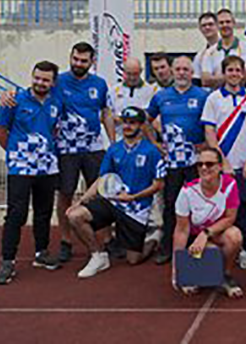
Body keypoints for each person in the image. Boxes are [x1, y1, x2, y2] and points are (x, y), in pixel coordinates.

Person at [66, 107, 165, 278]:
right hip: (113, 202)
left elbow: (159, 185)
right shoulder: (114, 149)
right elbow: (101, 179)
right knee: (75, 216)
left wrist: (133, 197)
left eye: (132, 123)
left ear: (141, 126)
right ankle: (98, 256)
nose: (127, 126)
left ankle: (154, 237)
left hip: (136, 209)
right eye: (125, 122)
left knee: (133, 260)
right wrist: (80, 201)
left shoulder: (152, 151)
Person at [50, 42, 115, 263]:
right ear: (71, 57)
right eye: (75, 59)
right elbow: (35, 93)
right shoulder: (58, 81)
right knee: (65, 194)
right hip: (66, 149)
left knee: (99, 193)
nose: (78, 63)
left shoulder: (99, 84)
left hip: (93, 149)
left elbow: (106, 113)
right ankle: (66, 241)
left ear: (91, 62)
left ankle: (106, 239)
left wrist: (113, 144)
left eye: (83, 61)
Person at [0, 61, 63, 284]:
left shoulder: (57, 102)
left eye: (45, 80)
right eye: (37, 78)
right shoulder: (14, 100)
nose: (40, 82)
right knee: (16, 213)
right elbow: (1, 130)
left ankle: (41, 253)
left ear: (53, 82)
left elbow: (54, 130)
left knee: (43, 212)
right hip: (21, 167)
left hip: (47, 166)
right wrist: (15, 152)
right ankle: (7, 261)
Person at [201, 55, 246, 270]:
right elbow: (209, 131)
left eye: (238, 70)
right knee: (219, 210)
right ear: (224, 73)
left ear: (243, 73)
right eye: (230, 70)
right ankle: (219, 249)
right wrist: (222, 162)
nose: (234, 74)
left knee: (243, 208)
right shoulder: (213, 98)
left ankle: (242, 248)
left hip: (244, 165)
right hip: (221, 167)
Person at [146, 56, 209, 264]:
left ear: (192, 73)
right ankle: (167, 247)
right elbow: (146, 120)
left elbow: (212, 123)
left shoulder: (203, 95)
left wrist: (206, 144)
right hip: (172, 162)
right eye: (178, 69)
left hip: (196, 161)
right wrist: (154, 143)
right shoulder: (161, 96)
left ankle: (195, 245)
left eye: (186, 69)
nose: (182, 72)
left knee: (198, 203)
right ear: (172, 72)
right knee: (171, 203)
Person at [173, 146, 244, 298]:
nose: (204, 168)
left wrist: (205, 234)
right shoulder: (187, 191)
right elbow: (181, 230)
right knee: (211, 252)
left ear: (220, 167)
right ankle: (199, 272)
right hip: (194, 241)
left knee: (235, 236)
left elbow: (230, 218)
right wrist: (176, 268)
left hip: (214, 234)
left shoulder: (230, 185)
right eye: (200, 164)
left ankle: (225, 275)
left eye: (209, 164)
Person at [201, 8, 246, 89]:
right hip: (216, 94)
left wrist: (216, 78)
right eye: (221, 23)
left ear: (234, 23)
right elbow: (205, 81)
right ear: (217, 25)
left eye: (228, 22)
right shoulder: (210, 52)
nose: (225, 25)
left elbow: (244, 77)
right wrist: (233, 77)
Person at [107, 57, 158, 141]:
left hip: (143, 141)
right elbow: (107, 116)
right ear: (123, 71)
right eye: (128, 74)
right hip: (120, 140)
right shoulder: (113, 91)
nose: (132, 77)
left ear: (141, 71)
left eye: (135, 74)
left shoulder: (151, 91)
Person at [192, 12, 219, 86]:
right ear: (200, 29)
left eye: (210, 24)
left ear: (217, 26)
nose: (207, 27)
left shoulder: (229, 49)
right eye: (204, 25)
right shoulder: (199, 56)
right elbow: (197, 80)